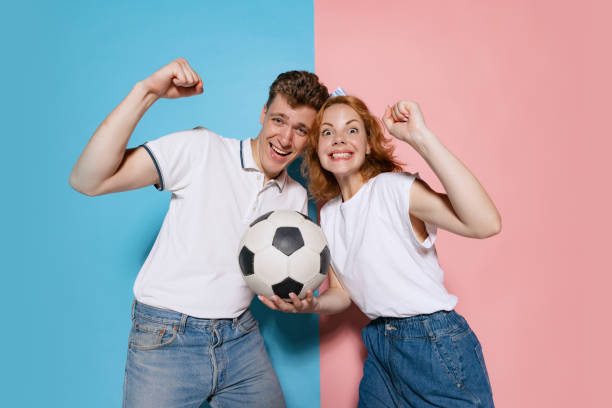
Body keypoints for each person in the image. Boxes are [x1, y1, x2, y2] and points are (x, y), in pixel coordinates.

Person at [69, 58, 328, 408]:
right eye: (279, 120)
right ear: (263, 113)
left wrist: (299, 300)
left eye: (300, 130)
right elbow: (87, 180)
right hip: (167, 336)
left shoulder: (295, 196)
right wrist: (146, 92)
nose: (285, 138)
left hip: (240, 337)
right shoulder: (202, 148)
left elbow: (280, 276)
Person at [259, 94, 501, 407]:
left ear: (369, 144)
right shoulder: (329, 213)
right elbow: (343, 293)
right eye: (327, 132)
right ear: (317, 149)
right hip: (380, 345)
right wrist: (310, 306)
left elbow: (485, 223)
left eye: (352, 130)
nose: (339, 139)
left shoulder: (394, 189)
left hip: (432, 342)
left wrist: (420, 138)